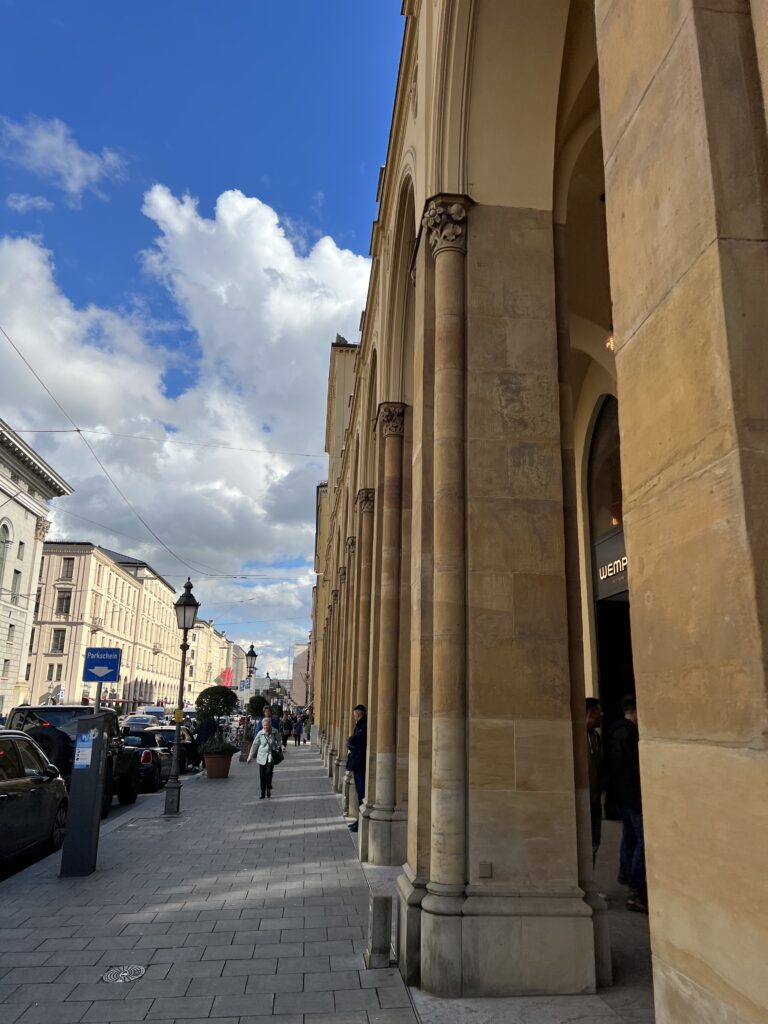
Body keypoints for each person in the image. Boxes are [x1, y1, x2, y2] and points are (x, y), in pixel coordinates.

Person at [606, 693, 647, 913]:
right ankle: (635, 887)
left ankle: (627, 878)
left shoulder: (613, 732)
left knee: (630, 839)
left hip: (621, 797)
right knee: (642, 841)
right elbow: (637, 766)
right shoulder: (629, 735)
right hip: (634, 796)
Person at [586, 697, 604, 865]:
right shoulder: (579, 737)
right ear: (591, 713)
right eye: (599, 711)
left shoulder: (596, 738)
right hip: (586, 798)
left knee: (594, 841)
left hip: (595, 798)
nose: (601, 715)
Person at [247, 717, 282, 798]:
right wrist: (250, 756)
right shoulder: (260, 733)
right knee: (262, 775)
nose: (266, 727)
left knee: (269, 772)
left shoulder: (274, 732)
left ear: (270, 725)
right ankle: (263, 792)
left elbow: (279, 740)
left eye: (267, 725)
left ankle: (268, 787)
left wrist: (278, 746)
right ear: (262, 725)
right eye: (264, 725)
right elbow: (255, 745)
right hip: (261, 756)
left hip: (270, 755)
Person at [345, 704, 367, 832]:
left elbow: (355, 741)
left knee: (362, 794)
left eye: (355, 715)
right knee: (360, 794)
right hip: (358, 762)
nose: (354, 718)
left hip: (360, 763)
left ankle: (360, 822)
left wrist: (350, 741)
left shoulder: (363, 726)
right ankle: (359, 820)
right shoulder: (361, 726)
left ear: (359, 714)